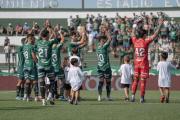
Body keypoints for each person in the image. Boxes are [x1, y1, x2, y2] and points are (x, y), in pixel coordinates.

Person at [131, 18, 164, 103]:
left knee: (135, 80)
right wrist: (160, 25)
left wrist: (134, 24)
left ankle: (132, 96)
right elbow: (155, 34)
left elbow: (132, 34)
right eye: (146, 34)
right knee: (143, 81)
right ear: (144, 35)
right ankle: (141, 98)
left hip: (136, 64)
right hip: (143, 64)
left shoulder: (135, 41)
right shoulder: (145, 41)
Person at [36, 29, 61, 106]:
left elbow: (39, 36)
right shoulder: (49, 42)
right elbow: (57, 39)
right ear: (47, 35)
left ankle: (43, 100)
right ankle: (49, 96)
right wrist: (53, 31)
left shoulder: (38, 42)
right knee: (53, 81)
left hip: (40, 66)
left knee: (41, 82)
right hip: (48, 66)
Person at [97, 30, 112, 101]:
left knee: (101, 82)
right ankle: (108, 96)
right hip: (106, 67)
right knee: (108, 82)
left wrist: (102, 34)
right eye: (103, 41)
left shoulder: (98, 48)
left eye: (104, 41)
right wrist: (107, 32)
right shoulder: (104, 47)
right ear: (100, 41)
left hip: (99, 67)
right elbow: (110, 39)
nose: (104, 42)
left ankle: (99, 96)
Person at [23, 34, 38, 102]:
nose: (33, 40)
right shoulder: (31, 47)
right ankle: (36, 97)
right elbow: (34, 56)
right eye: (32, 38)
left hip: (25, 66)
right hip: (32, 65)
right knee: (34, 81)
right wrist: (37, 61)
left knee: (27, 81)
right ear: (30, 38)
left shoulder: (24, 46)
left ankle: (26, 96)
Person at [51, 33, 65, 100]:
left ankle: (52, 96)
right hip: (58, 68)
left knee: (52, 82)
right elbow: (62, 39)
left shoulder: (49, 49)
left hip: (52, 68)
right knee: (62, 81)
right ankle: (61, 96)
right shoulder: (57, 48)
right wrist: (60, 33)